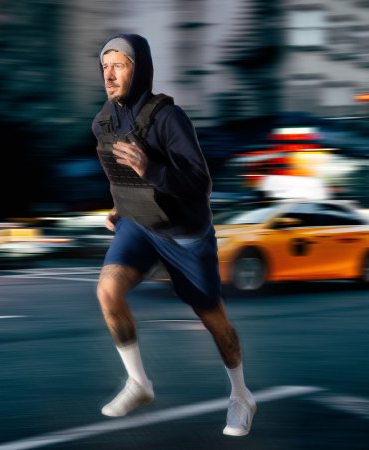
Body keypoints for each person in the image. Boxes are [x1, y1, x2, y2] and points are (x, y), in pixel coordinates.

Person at [92, 33, 256, 437]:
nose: (110, 75)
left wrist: (152, 170)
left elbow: (200, 184)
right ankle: (139, 383)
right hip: (139, 225)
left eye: (119, 65)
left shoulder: (169, 118)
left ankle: (241, 395)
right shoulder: (104, 121)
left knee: (214, 320)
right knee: (107, 292)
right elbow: (119, 175)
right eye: (105, 67)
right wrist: (120, 207)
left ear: (139, 68)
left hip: (185, 232)